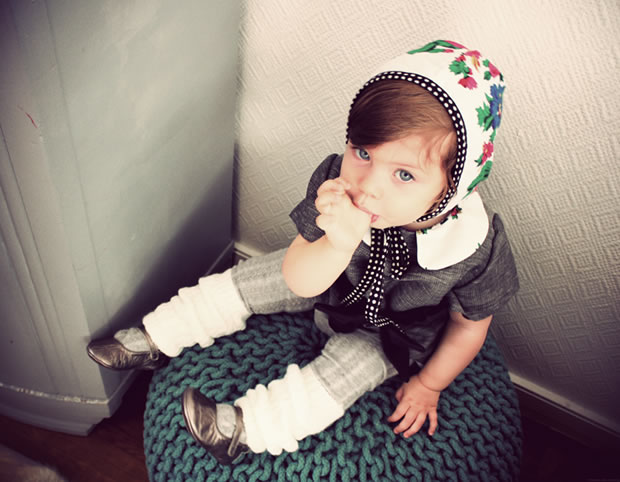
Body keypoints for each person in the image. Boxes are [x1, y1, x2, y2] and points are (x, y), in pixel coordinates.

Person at [87, 39, 518, 465]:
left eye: (404, 175)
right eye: (362, 153)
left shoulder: (474, 246)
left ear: (453, 186)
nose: (368, 187)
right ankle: (158, 336)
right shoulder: (336, 184)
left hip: (390, 334)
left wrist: (429, 384)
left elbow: (468, 328)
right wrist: (339, 243)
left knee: (341, 376)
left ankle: (242, 430)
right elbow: (299, 279)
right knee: (250, 280)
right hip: (326, 278)